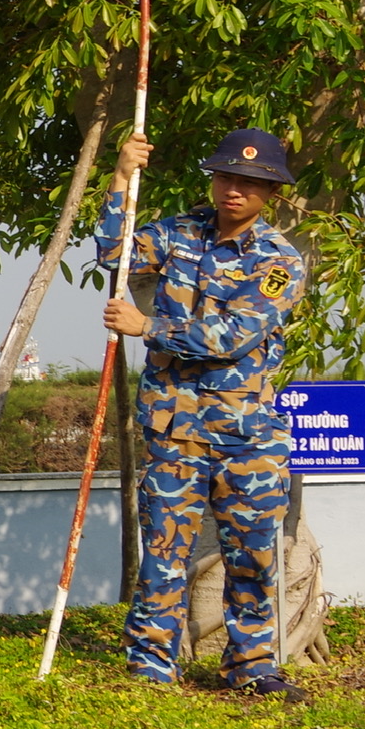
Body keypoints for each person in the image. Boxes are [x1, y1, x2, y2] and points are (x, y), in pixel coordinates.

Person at [98, 128, 309, 697]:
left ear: (271, 192)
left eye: (249, 182)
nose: (234, 190)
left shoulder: (280, 260)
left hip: (249, 438)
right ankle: (150, 668)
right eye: (225, 177)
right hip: (175, 430)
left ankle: (252, 668)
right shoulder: (178, 234)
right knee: (163, 554)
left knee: (253, 557)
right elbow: (115, 256)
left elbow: (235, 336)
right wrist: (121, 176)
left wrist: (149, 327)